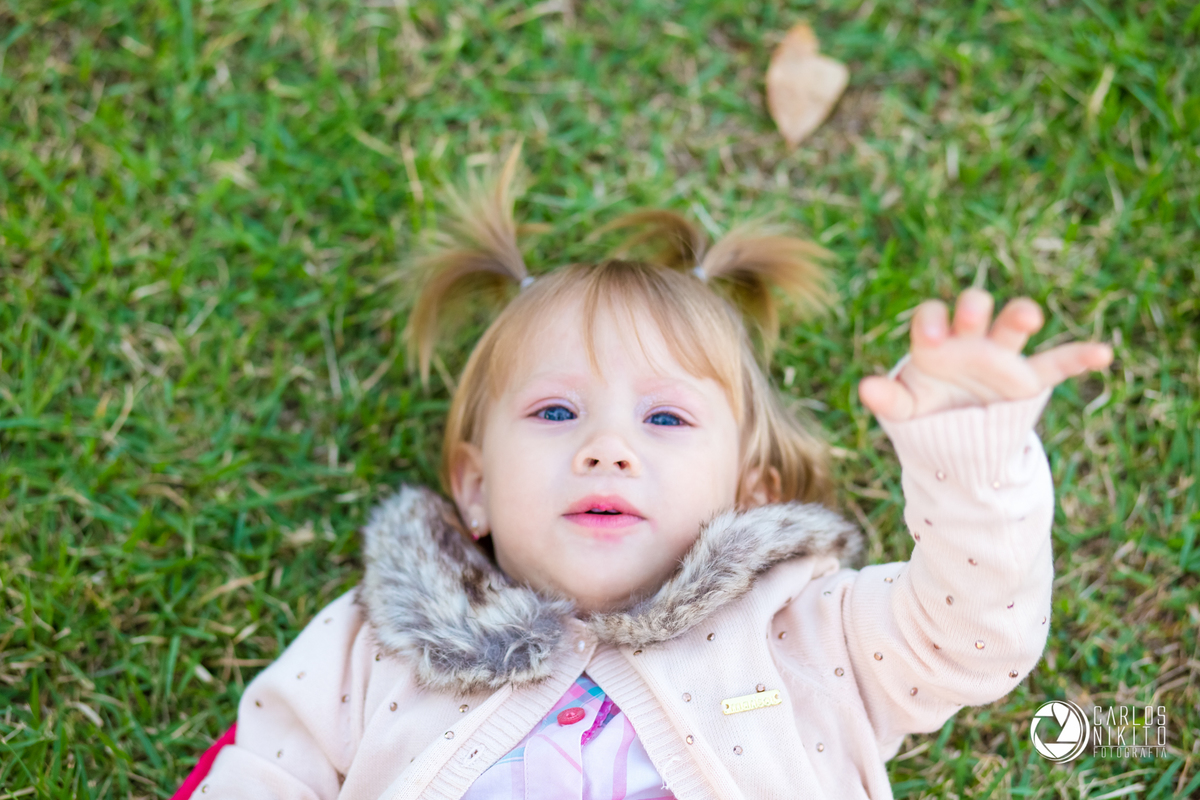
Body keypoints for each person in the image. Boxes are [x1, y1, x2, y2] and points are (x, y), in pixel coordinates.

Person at [175, 147, 1112, 799]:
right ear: (474, 486)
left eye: (665, 418)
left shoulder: (804, 630)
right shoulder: (380, 638)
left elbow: (975, 640)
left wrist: (971, 458)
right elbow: (268, 773)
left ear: (752, 490)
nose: (607, 448)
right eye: (554, 413)